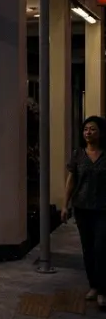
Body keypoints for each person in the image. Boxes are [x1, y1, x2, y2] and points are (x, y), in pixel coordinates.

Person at [62, 116, 106, 307]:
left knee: (101, 248)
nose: (88, 132)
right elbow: (71, 181)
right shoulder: (78, 154)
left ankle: (103, 289)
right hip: (82, 208)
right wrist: (65, 205)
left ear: (101, 132)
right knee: (88, 249)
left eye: (93, 129)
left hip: (103, 209)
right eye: (86, 129)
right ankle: (94, 286)